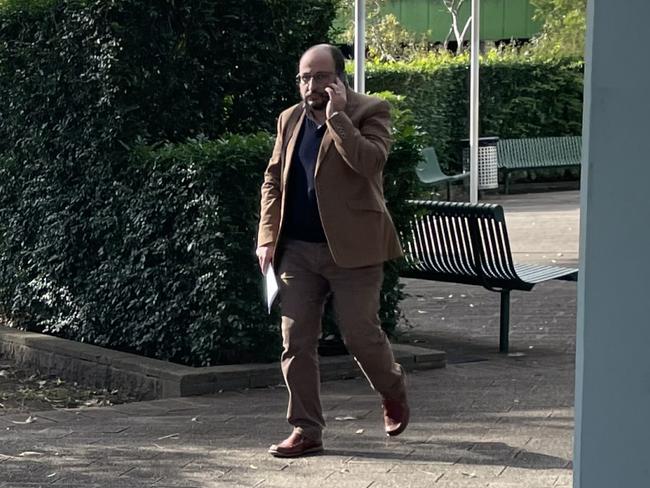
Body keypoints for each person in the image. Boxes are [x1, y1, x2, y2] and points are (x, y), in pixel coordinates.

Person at [256, 44, 409, 458]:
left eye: (321, 76)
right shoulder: (289, 119)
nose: (312, 85)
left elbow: (369, 162)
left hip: (355, 250)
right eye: (305, 77)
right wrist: (267, 236)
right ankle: (306, 429)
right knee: (295, 340)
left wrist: (337, 117)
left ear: (340, 77)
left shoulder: (370, 110)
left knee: (360, 335)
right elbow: (274, 180)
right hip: (298, 251)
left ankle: (392, 389)